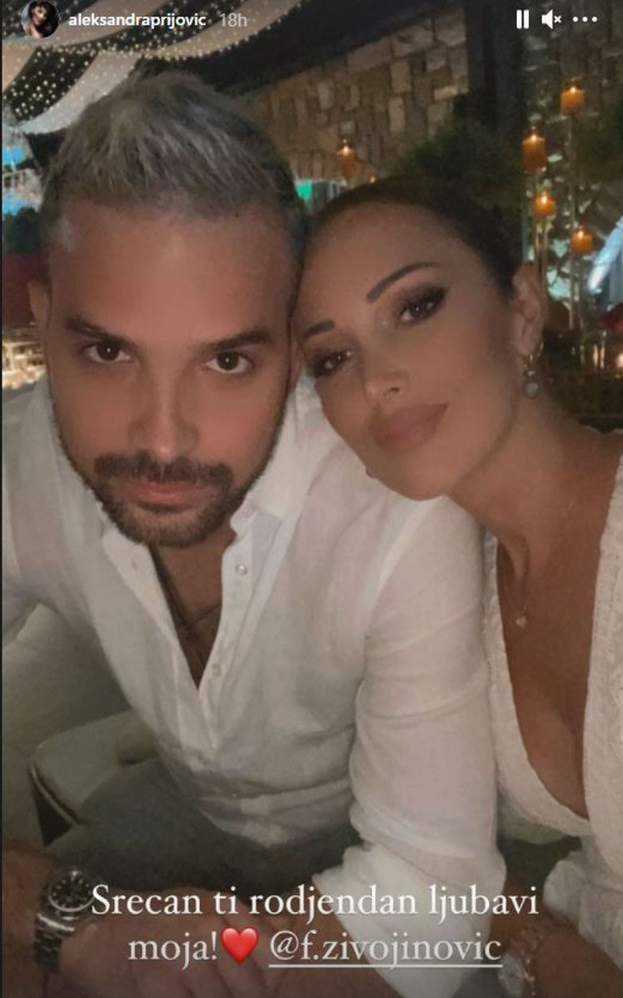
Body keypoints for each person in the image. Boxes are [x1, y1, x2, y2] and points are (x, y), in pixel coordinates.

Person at [2, 77, 504, 998]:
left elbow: (429, 892)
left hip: (364, 847)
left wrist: (181, 958)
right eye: (107, 352)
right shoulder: (17, 464)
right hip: (183, 818)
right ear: (40, 320)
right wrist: (68, 917)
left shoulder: (394, 508)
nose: (163, 440)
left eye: (228, 360)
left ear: (290, 344)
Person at [295, 177, 623, 998]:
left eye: (414, 307)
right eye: (332, 359)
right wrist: (542, 944)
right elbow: (438, 863)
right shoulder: (451, 581)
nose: (375, 380)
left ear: (521, 312)